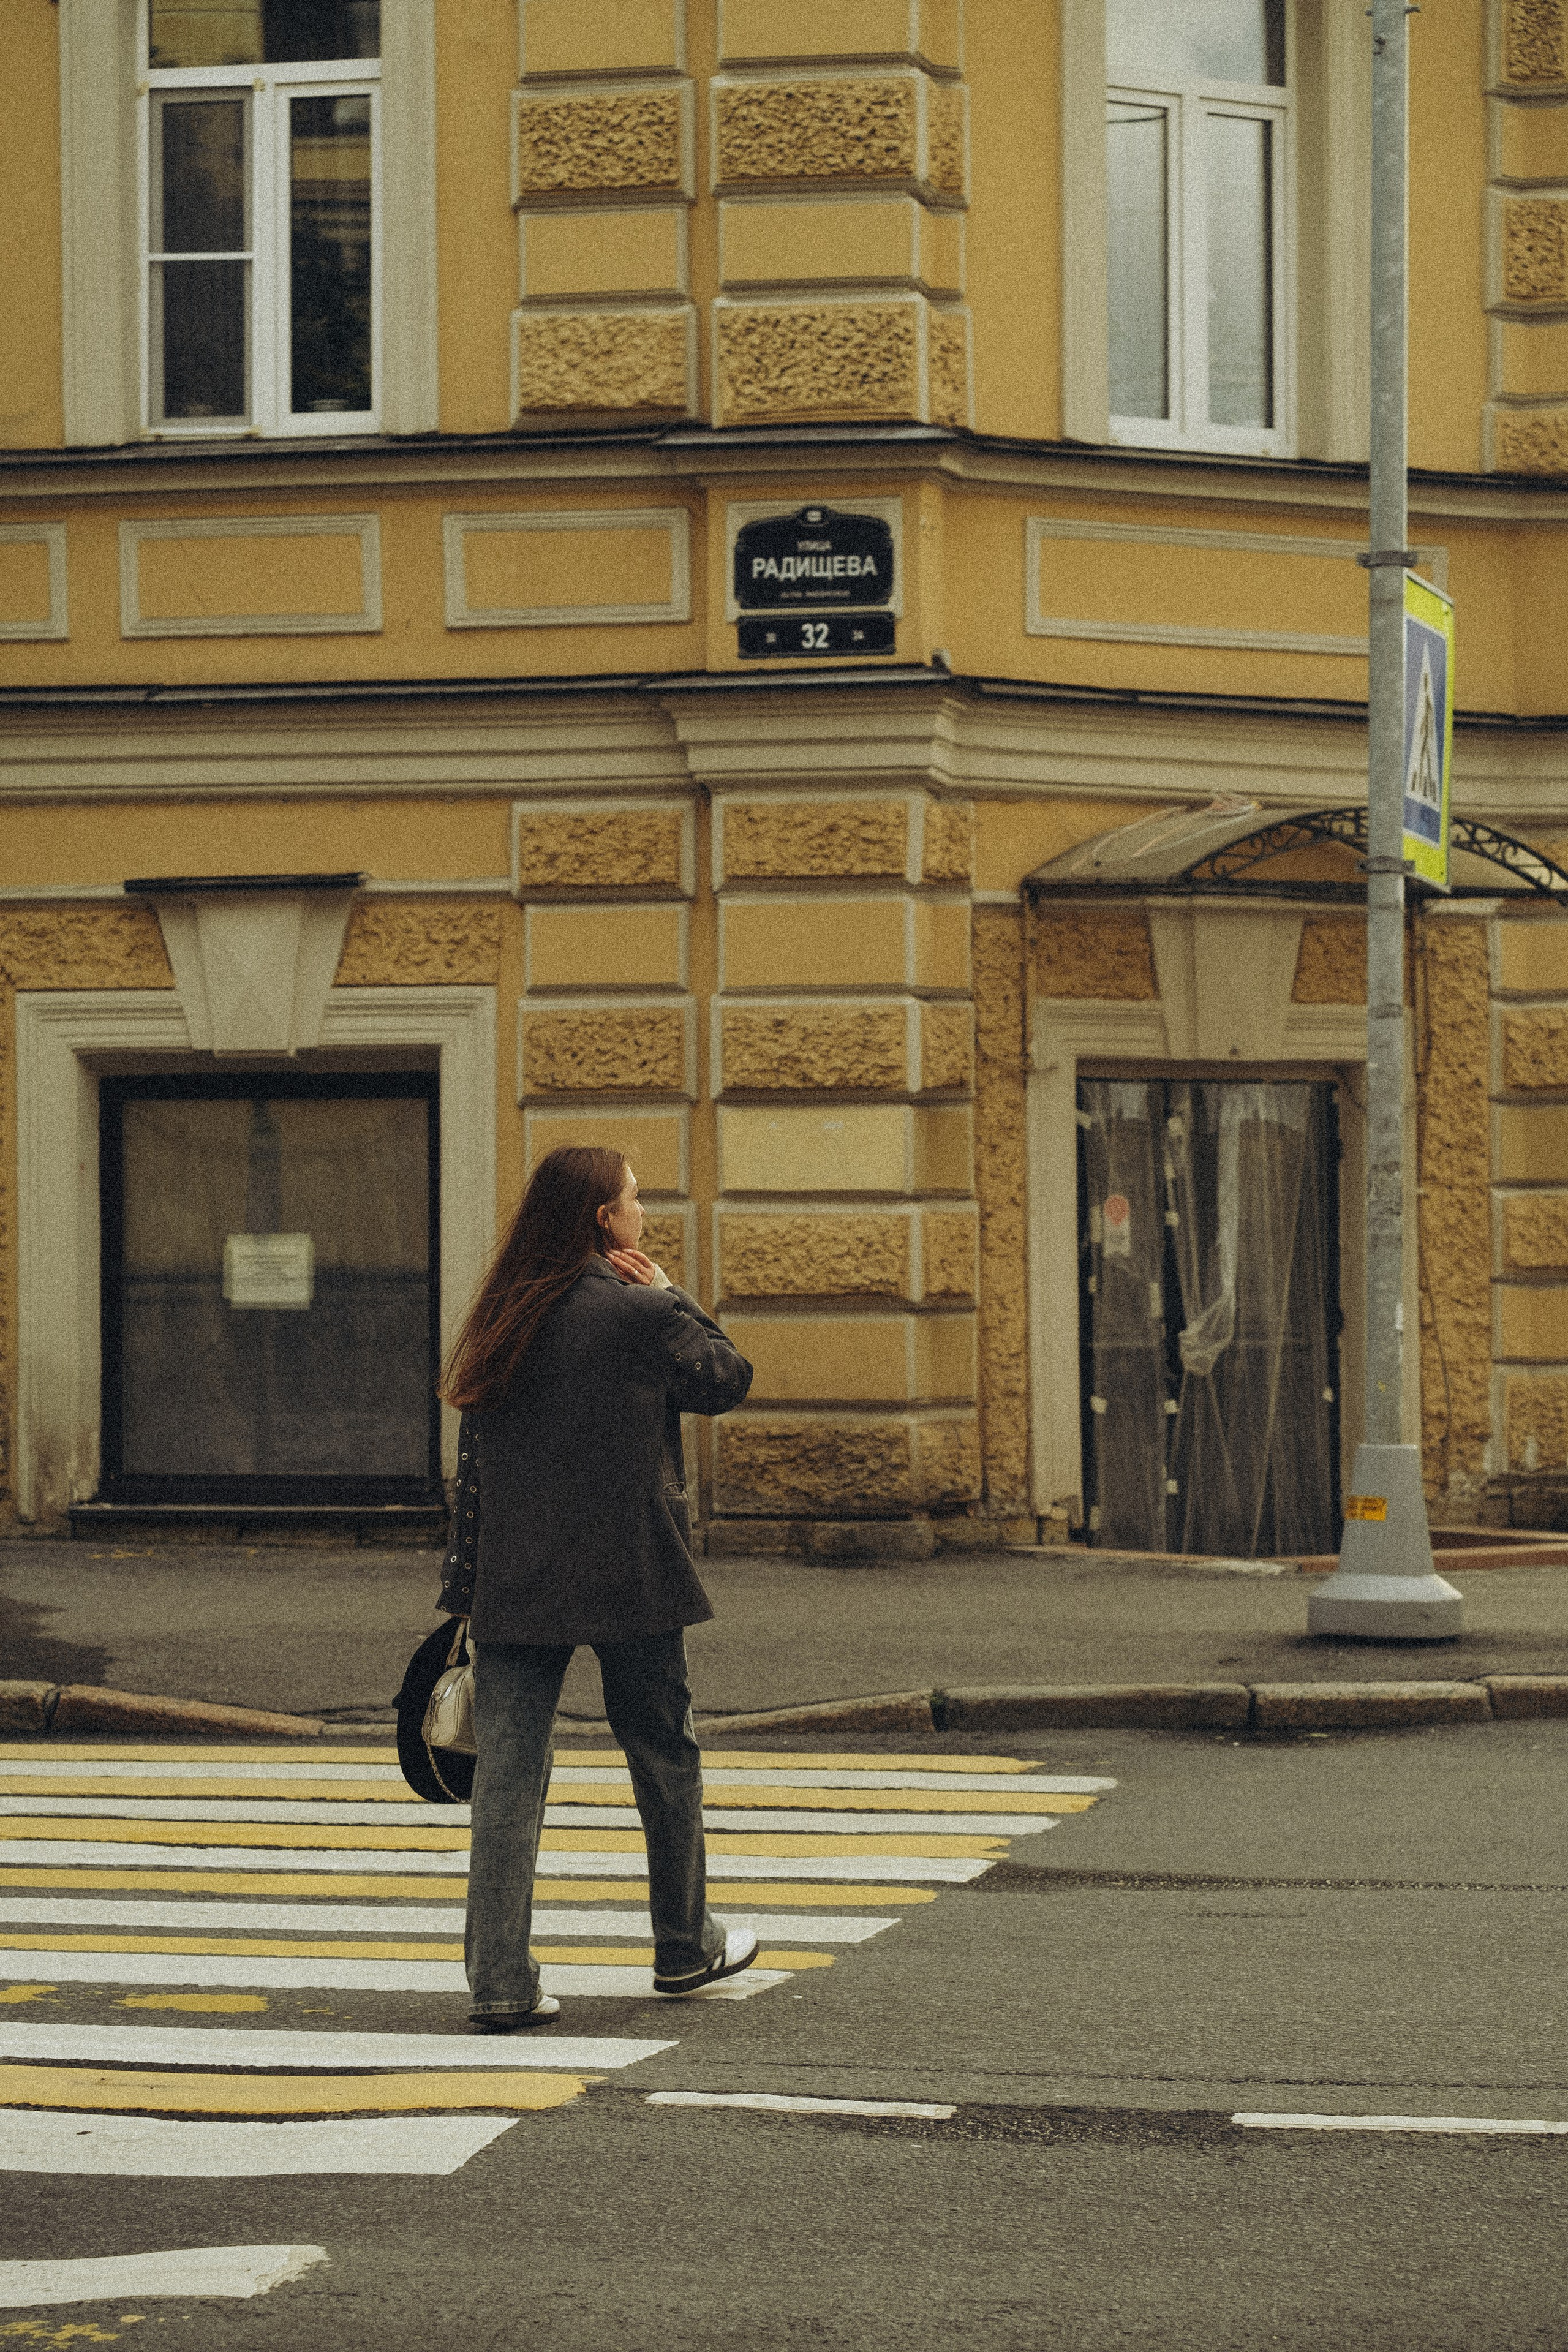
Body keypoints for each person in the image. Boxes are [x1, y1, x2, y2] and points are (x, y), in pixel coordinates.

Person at [437, 1144, 755, 2032]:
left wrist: (463, 1591)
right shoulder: (634, 1311)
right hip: (631, 1572)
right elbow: (728, 1379)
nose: (643, 1210)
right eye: (635, 1198)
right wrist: (669, 1291)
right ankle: (684, 1947)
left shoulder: (506, 1311)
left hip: (517, 1577)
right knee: (664, 1755)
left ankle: (500, 1982)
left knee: (508, 1779)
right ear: (605, 1222)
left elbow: (476, 1469)